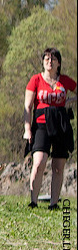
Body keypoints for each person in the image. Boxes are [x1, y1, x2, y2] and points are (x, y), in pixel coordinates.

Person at [24, 47, 76, 210]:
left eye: (53, 59)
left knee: (58, 166)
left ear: (58, 63)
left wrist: (69, 100)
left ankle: (54, 203)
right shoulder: (36, 80)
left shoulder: (65, 81)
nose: (49, 61)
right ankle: (33, 201)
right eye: (46, 58)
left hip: (60, 124)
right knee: (39, 162)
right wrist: (27, 129)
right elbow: (27, 105)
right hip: (41, 124)